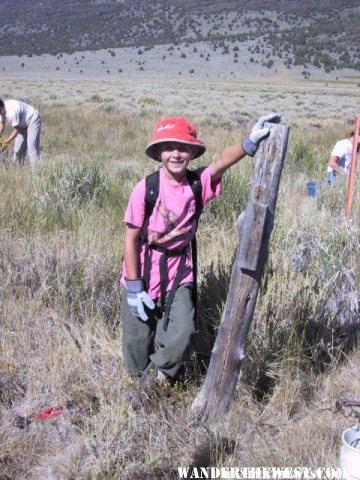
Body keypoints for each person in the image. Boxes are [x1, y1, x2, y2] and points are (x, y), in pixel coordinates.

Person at [119, 113, 280, 404]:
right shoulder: (146, 188)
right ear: (158, 153)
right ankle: (136, 381)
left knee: (183, 329)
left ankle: (155, 382)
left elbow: (221, 162)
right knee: (137, 336)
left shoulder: (197, 183)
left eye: (183, 147)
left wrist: (248, 142)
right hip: (142, 270)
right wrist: (134, 288)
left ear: (193, 152)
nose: (176, 154)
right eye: (168, 147)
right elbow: (130, 238)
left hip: (180, 269)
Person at [0, 98, 41, 168]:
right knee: (18, 148)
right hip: (21, 122)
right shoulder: (2, 109)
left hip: (32, 119)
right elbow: (2, 124)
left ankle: (36, 172)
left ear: (0, 108)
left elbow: (16, 129)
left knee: (32, 147)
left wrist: (8, 140)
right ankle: (17, 169)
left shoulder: (11, 112)